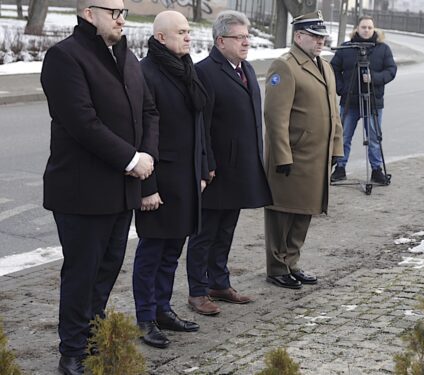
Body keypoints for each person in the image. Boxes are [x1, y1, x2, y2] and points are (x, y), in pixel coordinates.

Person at [40, 0, 158, 372]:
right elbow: (81, 121)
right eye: (114, 12)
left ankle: (92, 339)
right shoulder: (65, 57)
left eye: (123, 12)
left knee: (107, 270)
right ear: (89, 13)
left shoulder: (126, 56)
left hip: (122, 190)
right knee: (82, 272)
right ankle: (72, 351)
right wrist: (130, 158)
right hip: (82, 191)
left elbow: (149, 112)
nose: (122, 19)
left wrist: (147, 157)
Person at [186, 10, 272, 315]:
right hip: (215, 169)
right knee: (204, 233)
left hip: (241, 167)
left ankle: (219, 283)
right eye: (240, 37)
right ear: (221, 40)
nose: (246, 41)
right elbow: (201, 126)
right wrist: (205, 165)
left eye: (248, 36)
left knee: (226, 230)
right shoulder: (205, 72)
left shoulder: (245, 69)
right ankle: (197, 291)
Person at [132, 10, 209, 349]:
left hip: (186, 178)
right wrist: (147, 187)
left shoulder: (185, 69)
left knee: (172, 252)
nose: (188, 36)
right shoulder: (145, 72)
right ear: (161, 37)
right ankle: (145, 318)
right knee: (151, 253)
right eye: (181, 32)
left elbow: (198, 123)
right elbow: (139, 134)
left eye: (189, 30)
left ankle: (163, 309)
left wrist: (203, 167)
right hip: (159, 180)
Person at [263, 10, 343, 289]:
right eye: (314, 36)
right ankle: (276, 266)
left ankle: (291, 262)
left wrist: (336, 148)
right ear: (299, 37)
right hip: (293, 156)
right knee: (282, 212)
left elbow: (334, 113)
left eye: (322, 37)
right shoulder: (285, 66)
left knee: (304, 211)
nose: (320, 42)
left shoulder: (325, 67)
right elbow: (275, 117)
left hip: (316, 157)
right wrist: (282, 155)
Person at [330, 15, 397, 184]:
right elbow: (333, 68)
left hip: (373, 102)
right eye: (363, 27)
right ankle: (340, 168)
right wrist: (340, 88)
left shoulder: (383, 49)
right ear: (357, 29)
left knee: (374, 138)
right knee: (343, 136)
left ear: (374, 29)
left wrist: (374, 78)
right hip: (349, 101)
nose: (366, 30)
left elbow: (391, 70)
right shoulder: (346, 48)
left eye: (369, 27)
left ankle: (376, 170)